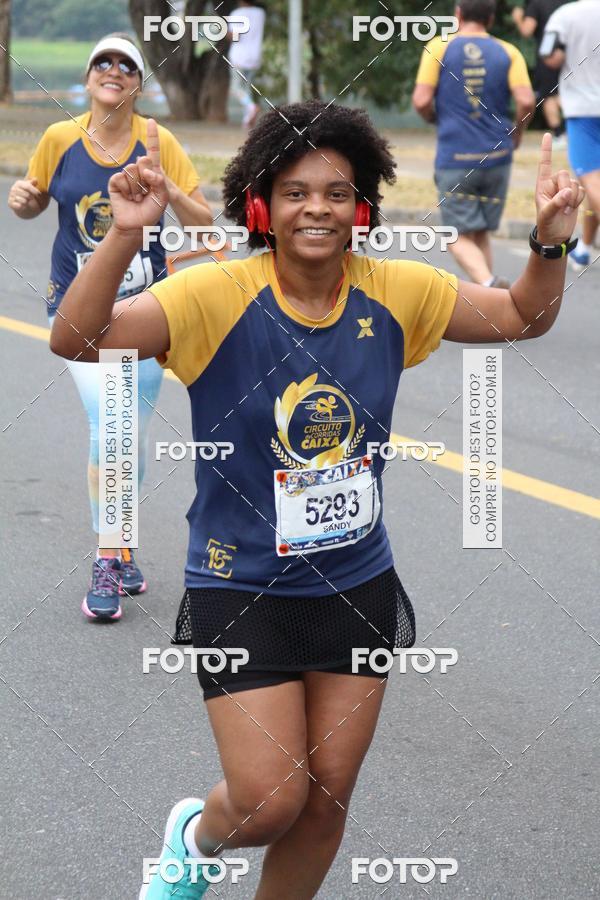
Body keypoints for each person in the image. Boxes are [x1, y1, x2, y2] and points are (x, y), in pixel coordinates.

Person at [51, 101, 583, 899]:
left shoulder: (395, 290)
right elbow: (77, 339)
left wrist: (547, 239)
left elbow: (520, 316)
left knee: (328, 797)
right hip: (242, 584)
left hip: (355, 582)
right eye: (297, 192)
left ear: (362, 206)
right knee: (269, 799)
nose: (318, 209)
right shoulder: (213, 294)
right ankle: (194, 841)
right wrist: (127, 232)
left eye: (337, 193)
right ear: (262, 203)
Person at [7, 34, 212, 622]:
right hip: (76, 308)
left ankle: (118, 543)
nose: (114, 70)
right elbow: (33, 201)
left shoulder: (159, 140)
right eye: (104, 61)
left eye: (127, 64)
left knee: (124, 433)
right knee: (113, 423)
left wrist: (168, 186)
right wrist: (22, 199)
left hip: (146, 313)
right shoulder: (58, 139)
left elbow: (205, 222)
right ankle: (107, 555)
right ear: (90, 74)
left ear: (138, 84)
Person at [412, 0, 535, 287]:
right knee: (478, 233)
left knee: (454, 234)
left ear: (458, 15)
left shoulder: (439, 47)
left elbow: (420, 100)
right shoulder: (509, 51)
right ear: (491, 19)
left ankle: (490, 283)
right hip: (498, 158)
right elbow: (527, 100)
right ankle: (492, 301)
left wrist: (434, 117)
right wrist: (516, 133)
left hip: (456, 157)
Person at [541, 0, 600, 264]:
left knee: (592, 184)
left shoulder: (564, 16)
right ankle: (585, 247)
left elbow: (550, 56)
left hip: (583, 110)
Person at [511, 0, 570, 147]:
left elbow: (527, 30)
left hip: (547, 56)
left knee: (548, 96)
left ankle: (559, 135)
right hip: (569, 55)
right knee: (564, 93)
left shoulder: (536, 4)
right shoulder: (567, 4)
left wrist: (518, 18)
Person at [226, 0, 266, 129]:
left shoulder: (236, 13)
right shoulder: (260, 13)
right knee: (247, 87)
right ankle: (247, 120)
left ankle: (250, 107)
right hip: (254, 56)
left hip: (239, 56)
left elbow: (234, 36)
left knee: (236, 88)